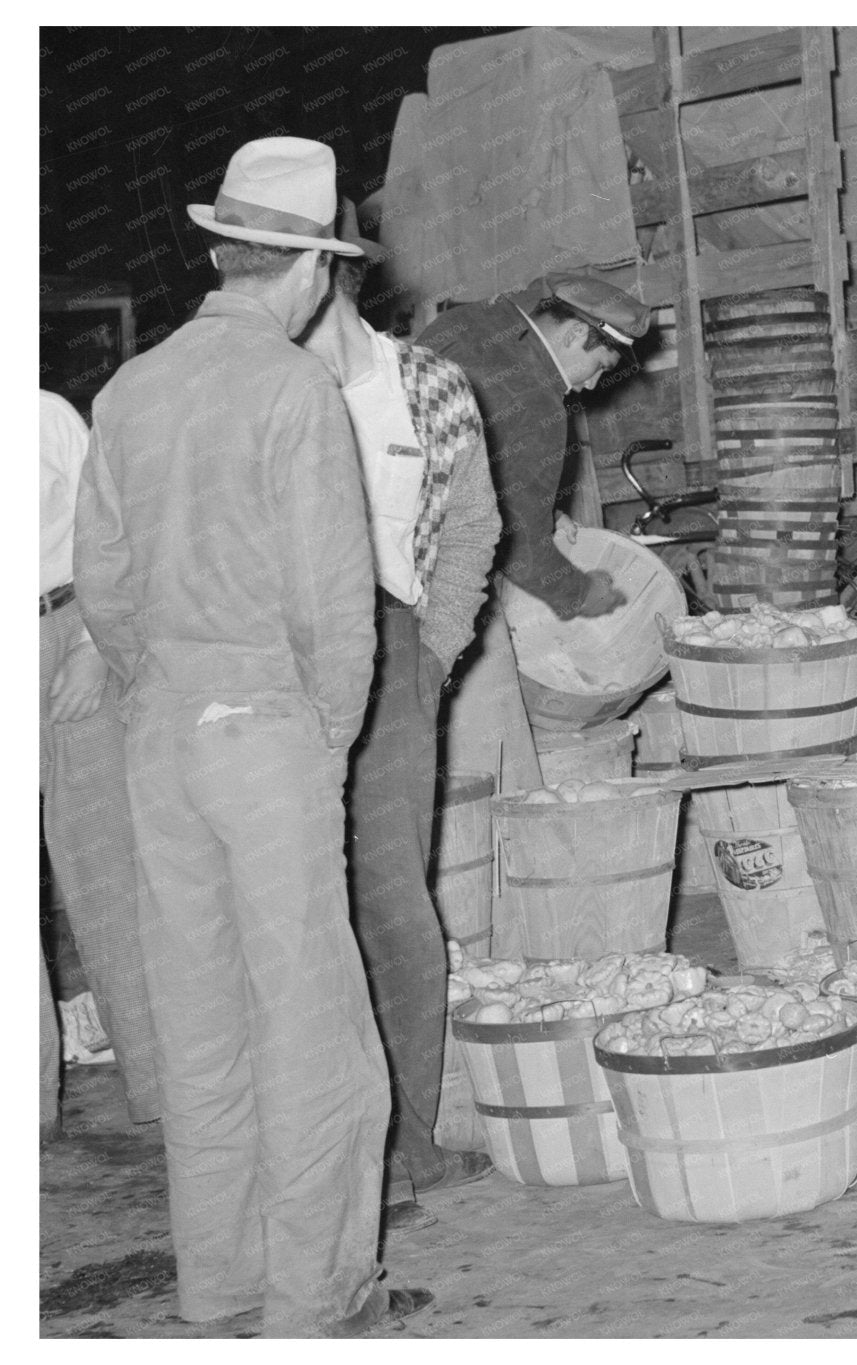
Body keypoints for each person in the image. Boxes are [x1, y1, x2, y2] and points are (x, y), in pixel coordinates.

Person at [72, 137, 428, 1335]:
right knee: (310, 1019)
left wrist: (165, 691)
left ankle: (216, 1285)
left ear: (227, 254)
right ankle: (315, 1296)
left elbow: (104, 587)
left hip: (160, 731)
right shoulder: (290, 390)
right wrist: (318, 739)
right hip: (265, 731)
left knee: (202, 1017)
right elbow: (338, 608)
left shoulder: (130, 389)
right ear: (315, 271)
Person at [301, 202, 499, 1234]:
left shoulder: (425, 385)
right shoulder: (262, 383)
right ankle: (320, 1150)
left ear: (333, 268)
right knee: (296, 914)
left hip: (390, 663)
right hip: (277, 661)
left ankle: (410, 1139)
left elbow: (472, 525)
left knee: (391, 906)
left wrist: (431, 649)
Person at [413, 271, 650, 791]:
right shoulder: (539, 402)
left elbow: (465, 461)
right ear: (569, 335)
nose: (590, 385)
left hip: (393, 554)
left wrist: (541, 511)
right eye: (597, 365)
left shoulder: (464, 322)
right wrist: (579, 591)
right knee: (491, 748)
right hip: (443, 579)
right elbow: (515, 542)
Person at [40, 390, 160, 1135]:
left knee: (107, 874)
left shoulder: (41, 412)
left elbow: (113, 531)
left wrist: (91, 642)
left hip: (59, 634)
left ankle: (162, 1090)